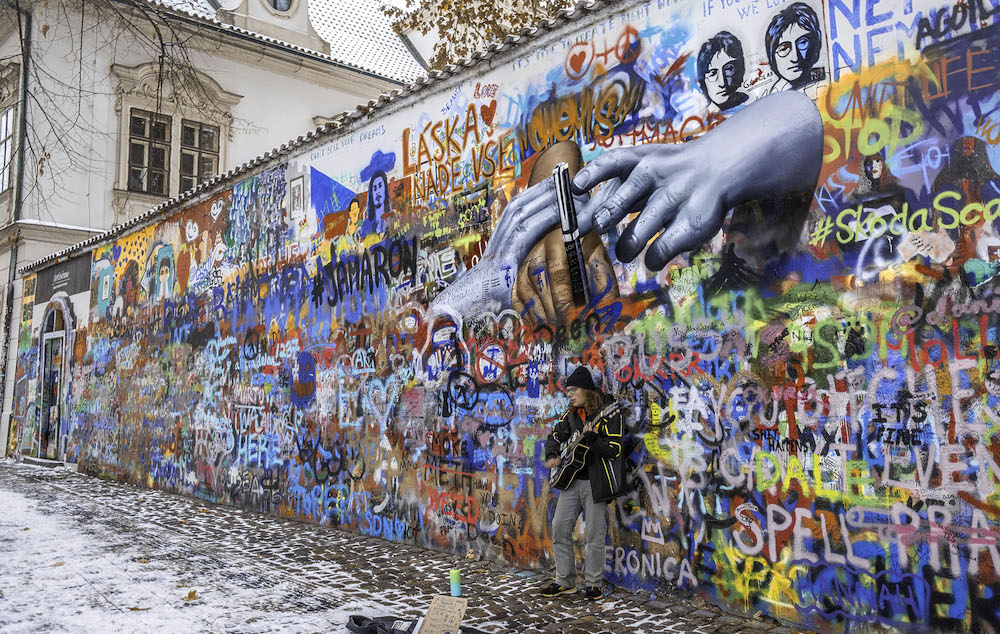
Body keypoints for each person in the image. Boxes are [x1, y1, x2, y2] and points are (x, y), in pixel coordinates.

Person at [539, 366, 625, 601]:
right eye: (567, 390)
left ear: (587, 389)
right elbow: (554, 435)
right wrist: (552, 454)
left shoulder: (610, 412)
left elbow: (615, 449)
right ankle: (565, 581)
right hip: (571, 481)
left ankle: (593, 584)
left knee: (594, 535)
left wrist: (593, 440)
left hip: (596, 483)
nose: (569, 394)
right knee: (559, 527)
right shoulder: (571, 415)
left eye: (573, 390)